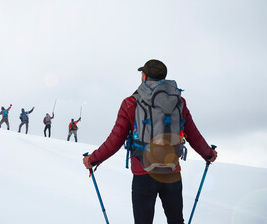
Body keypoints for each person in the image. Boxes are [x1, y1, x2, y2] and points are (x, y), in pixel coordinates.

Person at [82, 60, 218, 224]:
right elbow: (193, 134)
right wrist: (208, 154)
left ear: (144, 76)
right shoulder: (178, 102)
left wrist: (93, 159)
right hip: (171, 172)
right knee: (176, 221)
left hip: (144, 173)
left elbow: (114, 140)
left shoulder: (131, 103)